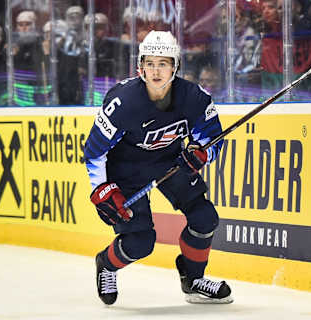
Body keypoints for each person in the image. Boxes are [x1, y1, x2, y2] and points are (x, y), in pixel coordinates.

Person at [84, 30, 233, 305]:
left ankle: (193, 278)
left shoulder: (195, 98)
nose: (155, 71)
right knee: (141, 242)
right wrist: (102, 189)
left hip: (170, 162)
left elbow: (213, 142)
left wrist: (202, 155)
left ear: (175, 67)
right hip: (126, 169)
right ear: (140, 66)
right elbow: (94, 151)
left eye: (163, 63)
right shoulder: (123, 103)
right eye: (150, 63)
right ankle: (106, 264)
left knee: (205, 218)